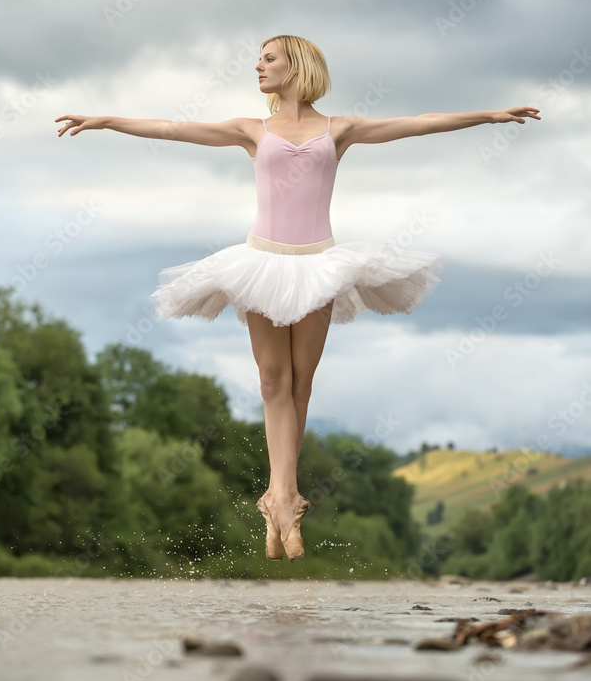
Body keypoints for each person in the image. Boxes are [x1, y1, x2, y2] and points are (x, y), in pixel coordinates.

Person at [56, 33, 541, 562]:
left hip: (317, 265)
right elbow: (174, 129)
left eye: (269, 58)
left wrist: (490, 116)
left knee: (301, 382)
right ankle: (282, 499)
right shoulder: (251, 130)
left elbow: (419, 123)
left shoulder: (341, 129)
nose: (257, 66)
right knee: (272, 380)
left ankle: (279, 498)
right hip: (261, 262)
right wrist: (106, 120)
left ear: (297, 66)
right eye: (259, 59)